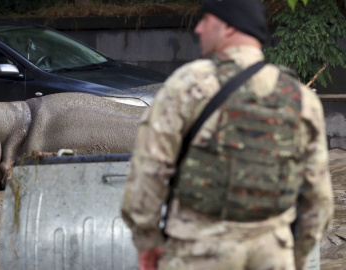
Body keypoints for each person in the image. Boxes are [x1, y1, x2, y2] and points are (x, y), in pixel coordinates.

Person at [120, 0, 334, 269]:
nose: (198, 28)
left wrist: (147, 241)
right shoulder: (300, 97)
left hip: (198, 251)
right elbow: (319, 197)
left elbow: (149, 170)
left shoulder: (186, 85)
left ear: (229, 26)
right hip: (272, 253)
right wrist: (296, 257)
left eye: (205, 19)